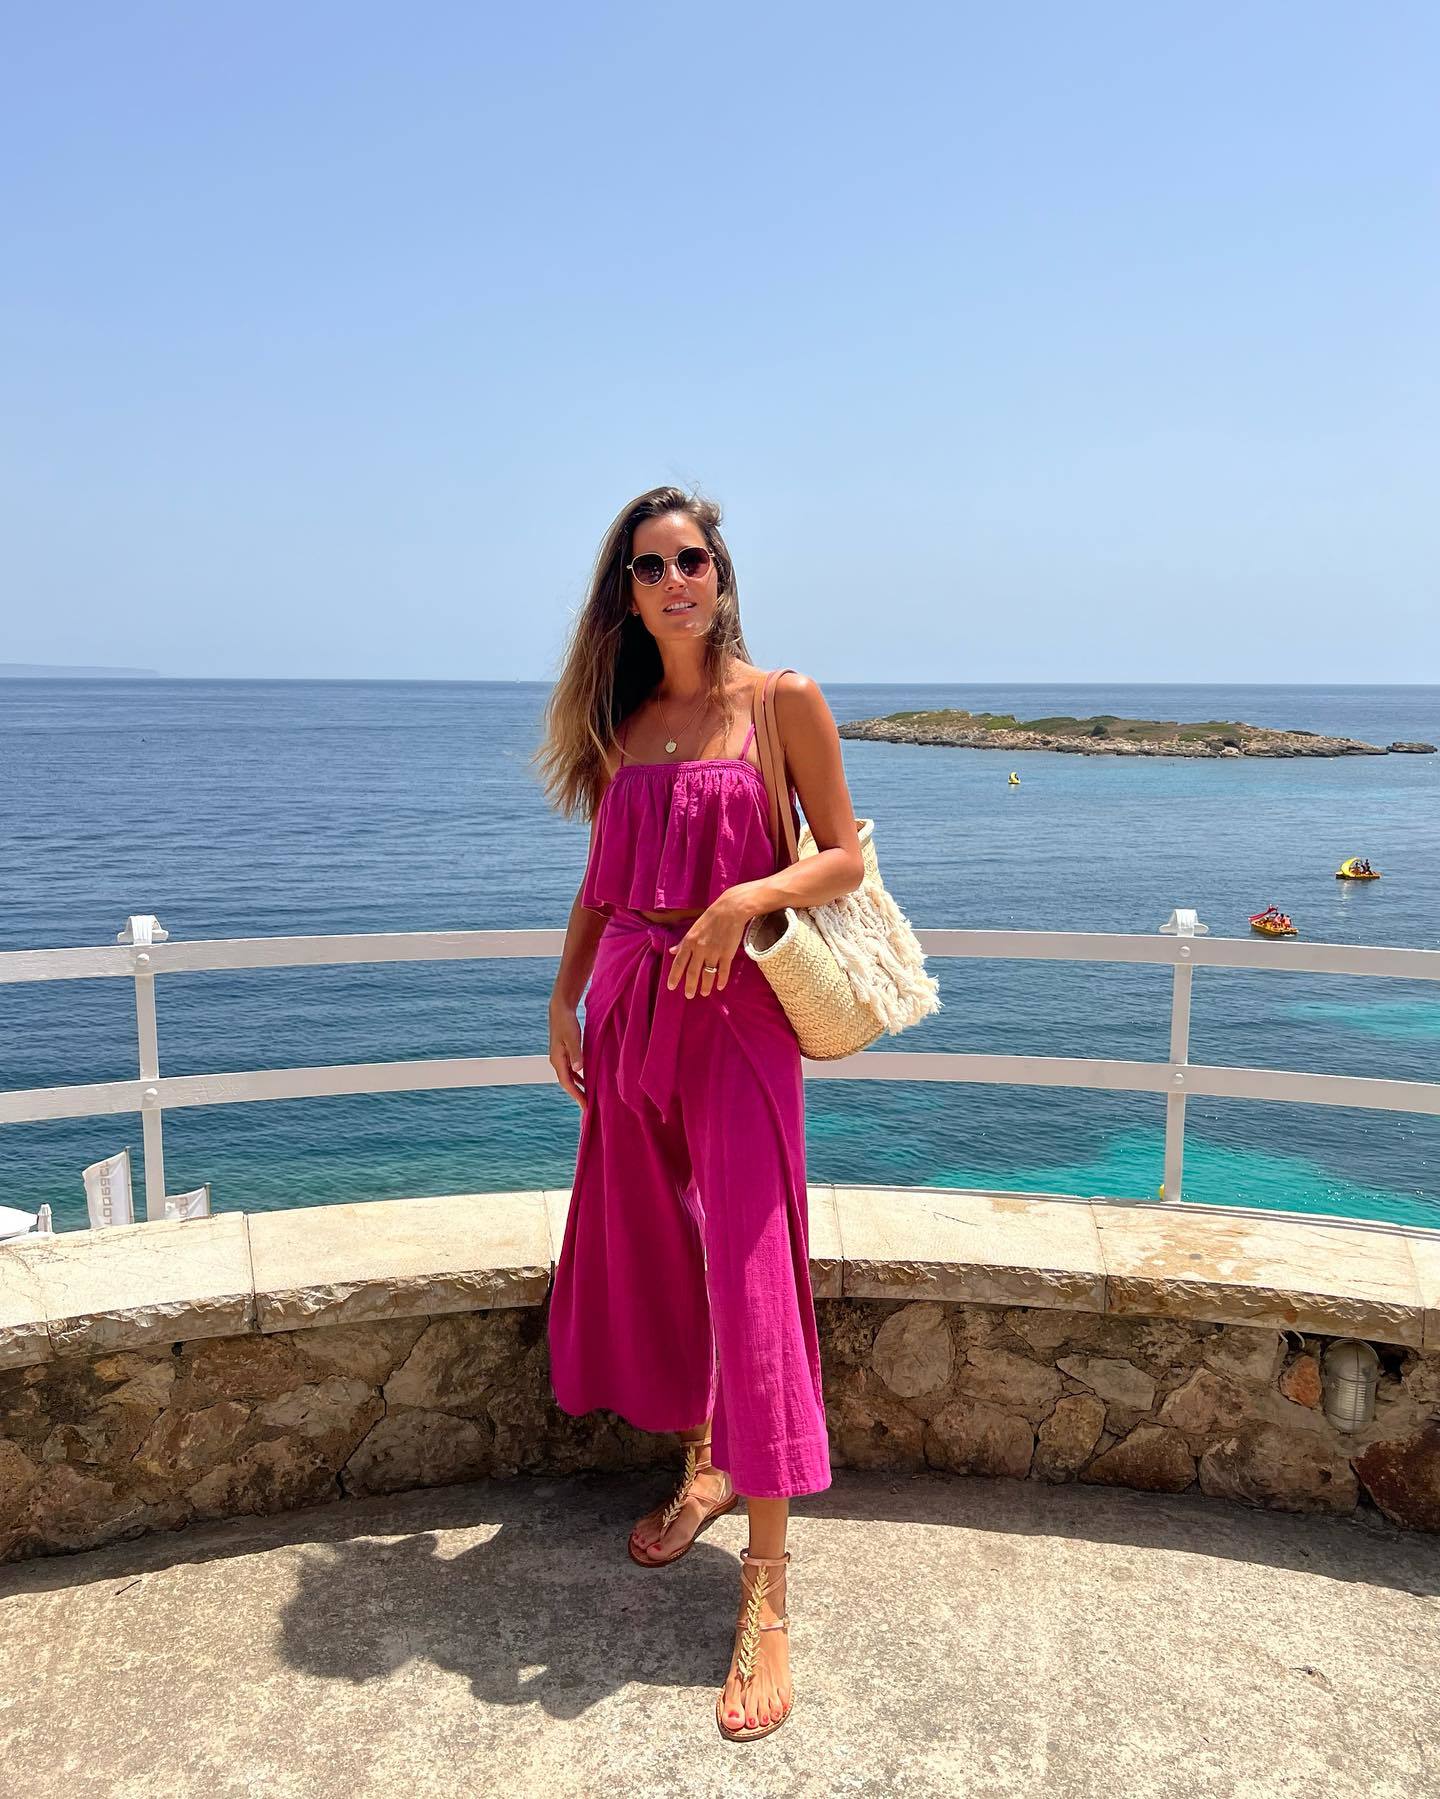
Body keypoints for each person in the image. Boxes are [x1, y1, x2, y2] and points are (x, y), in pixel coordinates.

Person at [534, 484, 865, 1742]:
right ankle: (704, 1461)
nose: (675, 579)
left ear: (721, 573)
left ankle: (768, 1587)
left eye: (692, 558)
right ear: (626, 594)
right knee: (660, 1247)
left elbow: (841, 853)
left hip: (740, 1015)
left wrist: (742, 899)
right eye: (649, 564)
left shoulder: (781, 700)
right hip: (631, 1001)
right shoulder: (625, 724)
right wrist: (564, 996)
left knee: (753, 1268)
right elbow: (601, 879)